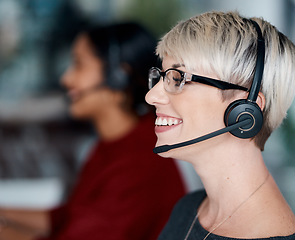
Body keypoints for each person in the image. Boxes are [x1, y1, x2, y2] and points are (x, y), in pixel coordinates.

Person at [0, 22, 185, 240]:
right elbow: (71, 217)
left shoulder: (140, 162)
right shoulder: (117, 143)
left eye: (79, 64)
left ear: (119, 77)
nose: (66, 78)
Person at [146, 11, 295, 240]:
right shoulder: (189, 208)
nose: (151, 96)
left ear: (245, 109)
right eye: (162, 77)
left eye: (178, 78)